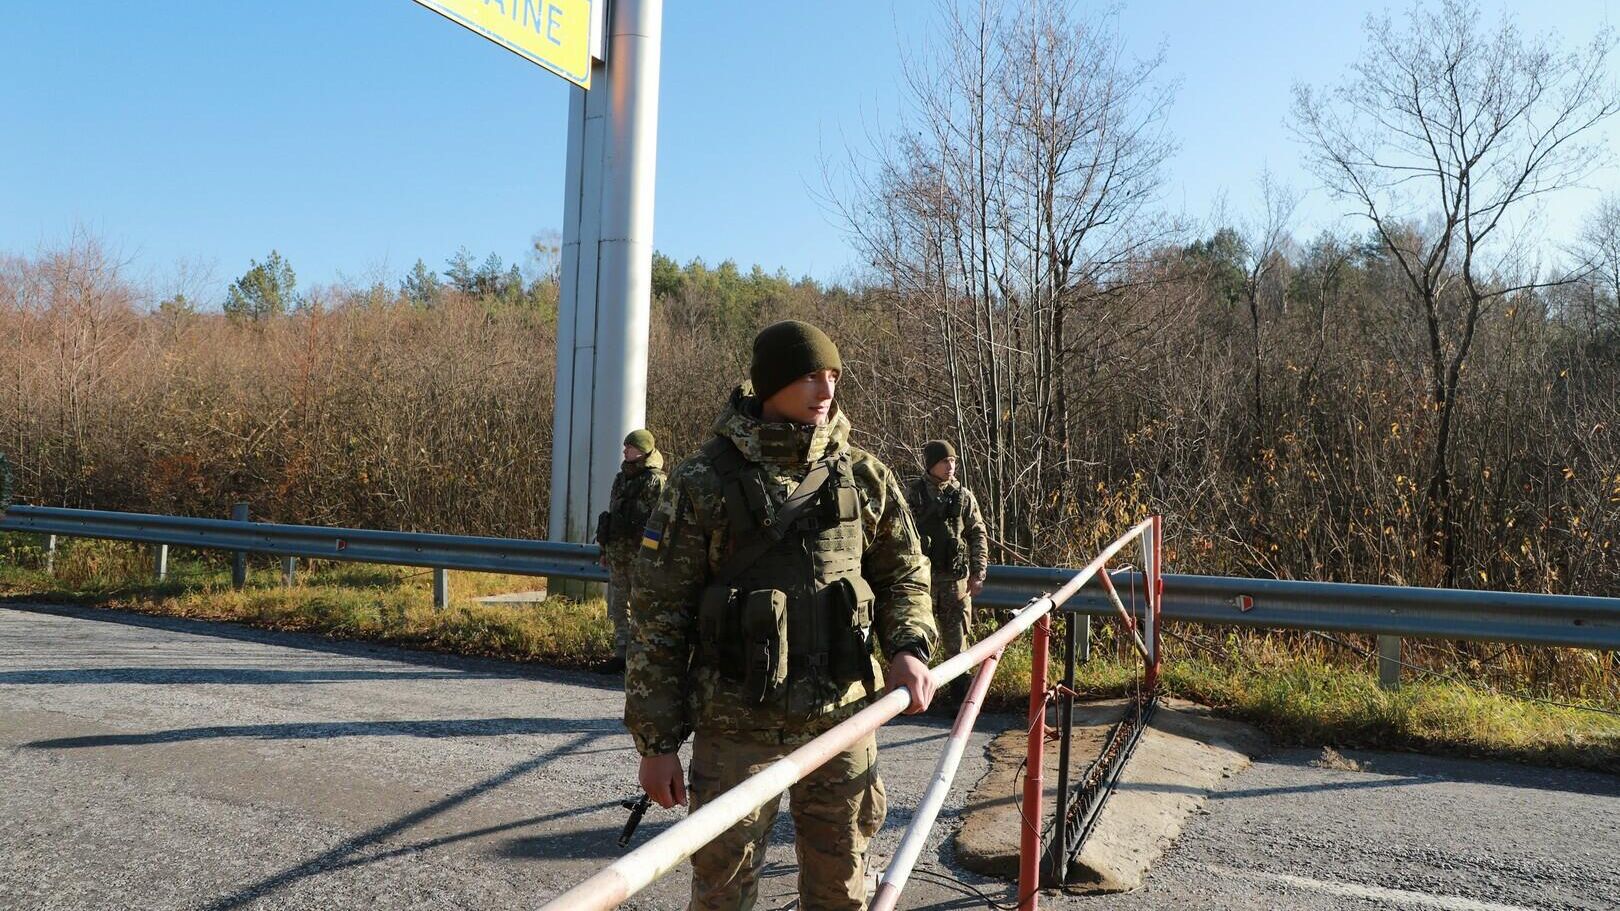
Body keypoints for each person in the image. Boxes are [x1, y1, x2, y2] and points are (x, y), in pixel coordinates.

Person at [625, 319, 938, 911]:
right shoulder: (701, 482)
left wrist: (909, 647)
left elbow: (905, 574)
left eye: (833, 377)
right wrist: (657, 743)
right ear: (770, 386)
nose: (826, 391)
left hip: (842, 718)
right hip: (736, 727)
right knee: (723, 893)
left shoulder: (863, 473)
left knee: (842, 889)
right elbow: (659, 619)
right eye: (809, 377)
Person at [905, 440, 988, 704]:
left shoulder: (963, 496)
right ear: (932, 464)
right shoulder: (913, 495)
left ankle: (960, 703)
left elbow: (977, 534)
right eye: (945, 461)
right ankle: (919, 700)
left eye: (953, 461)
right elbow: (899, 538)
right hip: (923, 583)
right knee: (921, 642)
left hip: (956, 584)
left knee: (958, 647)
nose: (950, 466)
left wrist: (978, 573)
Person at [595, 429, 667, 674]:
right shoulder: (621, 478)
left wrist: (653, 556)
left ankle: (641, 658)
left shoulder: (655, 481)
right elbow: (613, 514)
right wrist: (605, 549)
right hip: (618, 553)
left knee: (641, 608)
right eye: (625, 446)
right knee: (618, 607)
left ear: (643, 450)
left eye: (630, 446)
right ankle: (621, 654)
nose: (625, 450)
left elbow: (660, 521)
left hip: (641, 556)